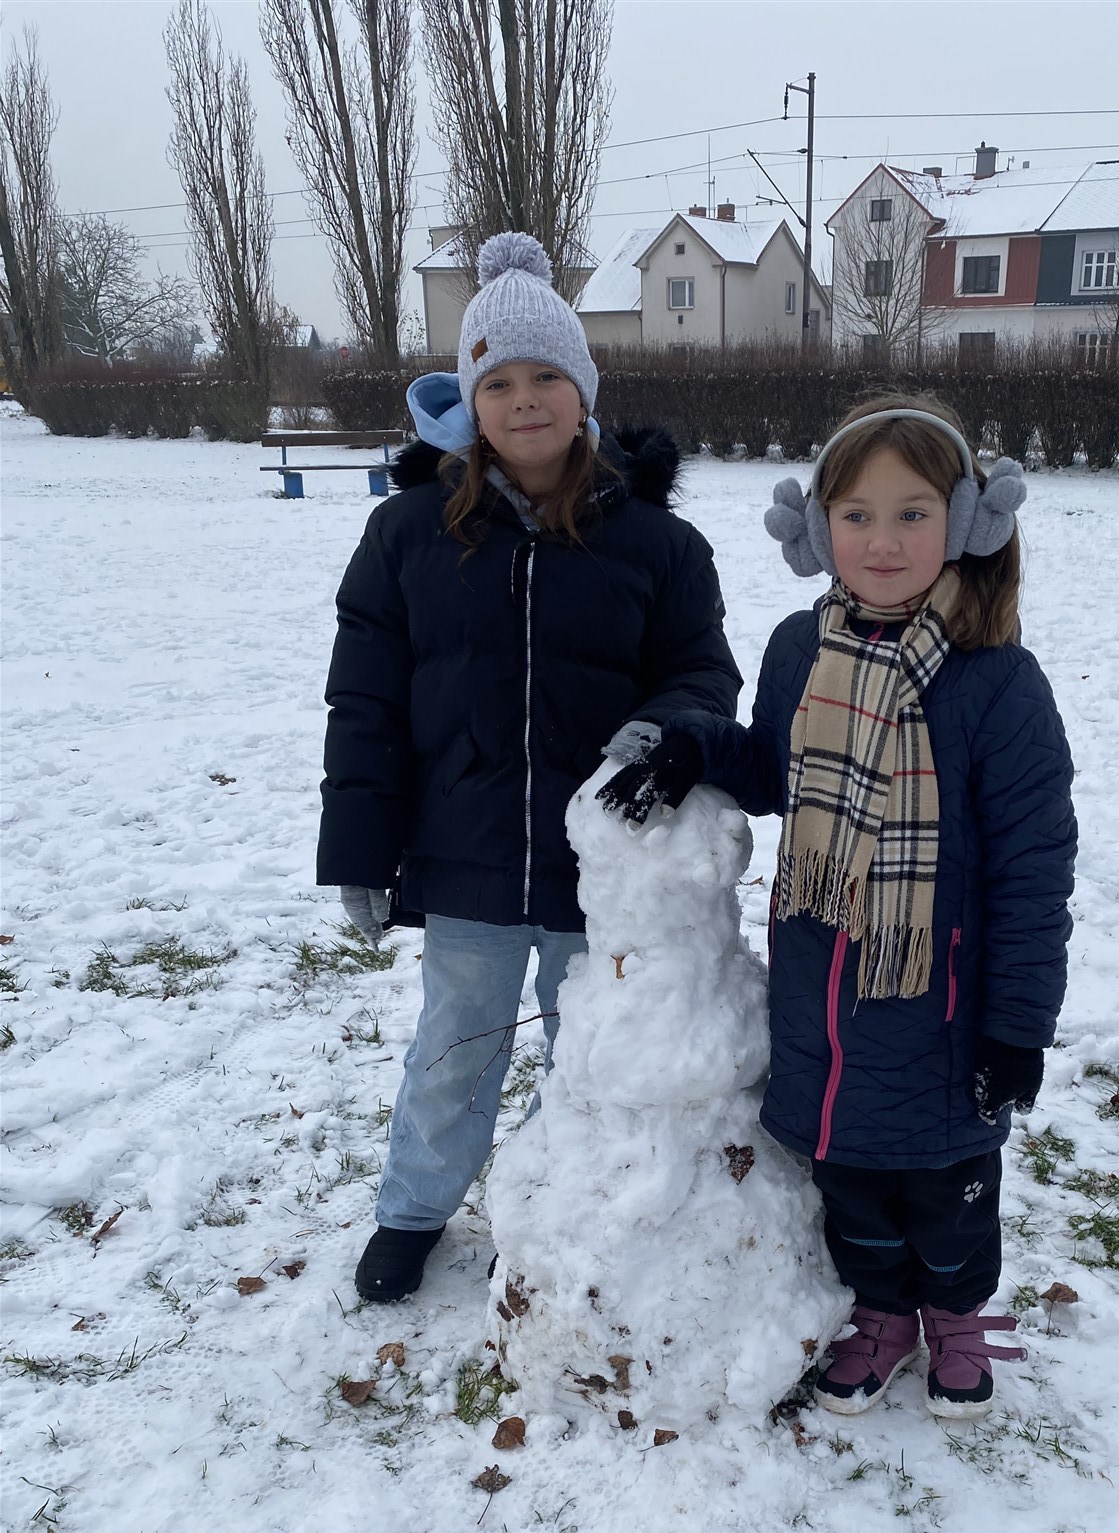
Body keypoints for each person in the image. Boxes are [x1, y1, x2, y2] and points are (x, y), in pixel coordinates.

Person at [599, 395, 1077, 1420]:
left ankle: (953, 1312)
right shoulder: (797, 649)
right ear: (818, 530)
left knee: (947, 1182)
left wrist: (1018, 1026)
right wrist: (693, 747)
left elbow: (1035, 871)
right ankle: (883, 1312)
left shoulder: (998, 682)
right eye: (856, 514)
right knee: (848, 1172)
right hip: (822, 979)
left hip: (941, 997)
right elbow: (777, 769)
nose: (882, 541)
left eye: (912, 513)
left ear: (966, 521)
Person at [318, 232, 742, 1304]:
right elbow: (364, 703)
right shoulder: (407, 535)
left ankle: (571, 1211)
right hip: (462, 853)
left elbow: (702, 672)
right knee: (455, 1047)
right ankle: (413, 1209)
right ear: (470, 402)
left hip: (602, 865)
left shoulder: (659, 546)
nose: (524, 400)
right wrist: (358, 851)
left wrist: (661, 735)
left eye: (546, 376)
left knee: (588, 1050)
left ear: (583, 391)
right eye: (498, 381)